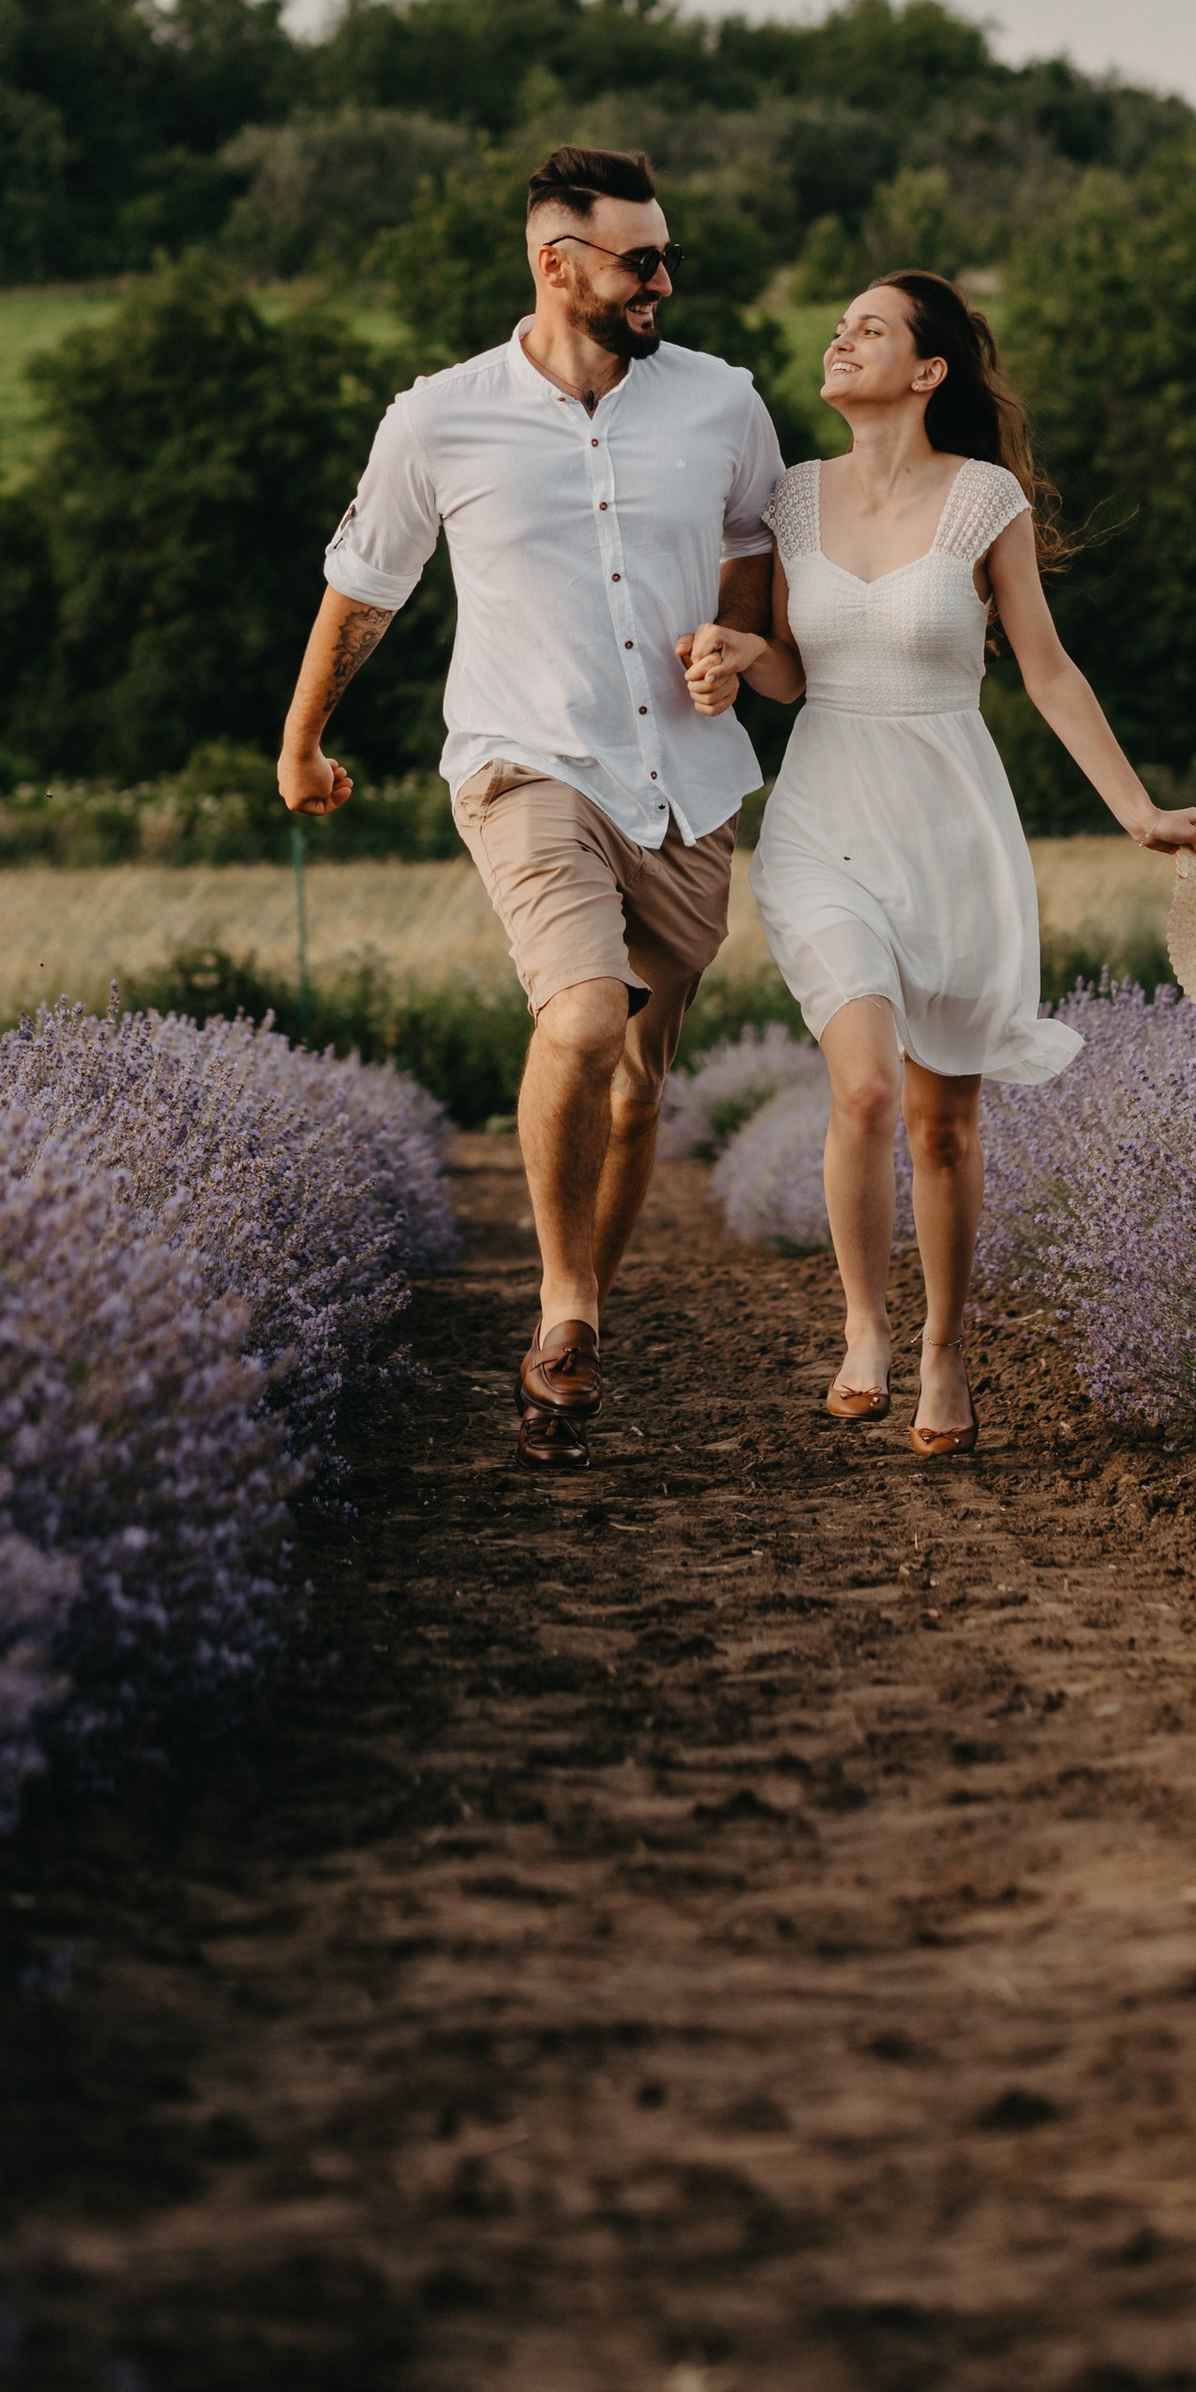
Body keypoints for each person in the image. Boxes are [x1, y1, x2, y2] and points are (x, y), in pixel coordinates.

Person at [277, 146, 782, 1465]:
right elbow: (365, 583)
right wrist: (302, 740)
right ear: (556, 264)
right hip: (524, 763)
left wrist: (734, 645)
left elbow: (751, 548)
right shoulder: (438, 418)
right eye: (640, 260)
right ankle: (563, 1303)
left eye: (668, 256)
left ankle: (575, 1342)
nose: (662, 281)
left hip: (687, 783)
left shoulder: (724, 402)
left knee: (637, 1090)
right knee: (581, 1015)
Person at [680, 272, 1196, 1457]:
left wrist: (1134, 810)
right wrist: (738, 651)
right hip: (824, 818)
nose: (841, 339)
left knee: (942, 1127)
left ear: (928, 372)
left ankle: (944, 1346)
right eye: (839, 326)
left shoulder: (983, 499)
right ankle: (865, 1326)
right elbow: (790, 673)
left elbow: (1047, 668)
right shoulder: (791, 497)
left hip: (951, 824)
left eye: (869, 329)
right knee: (864, 1088)